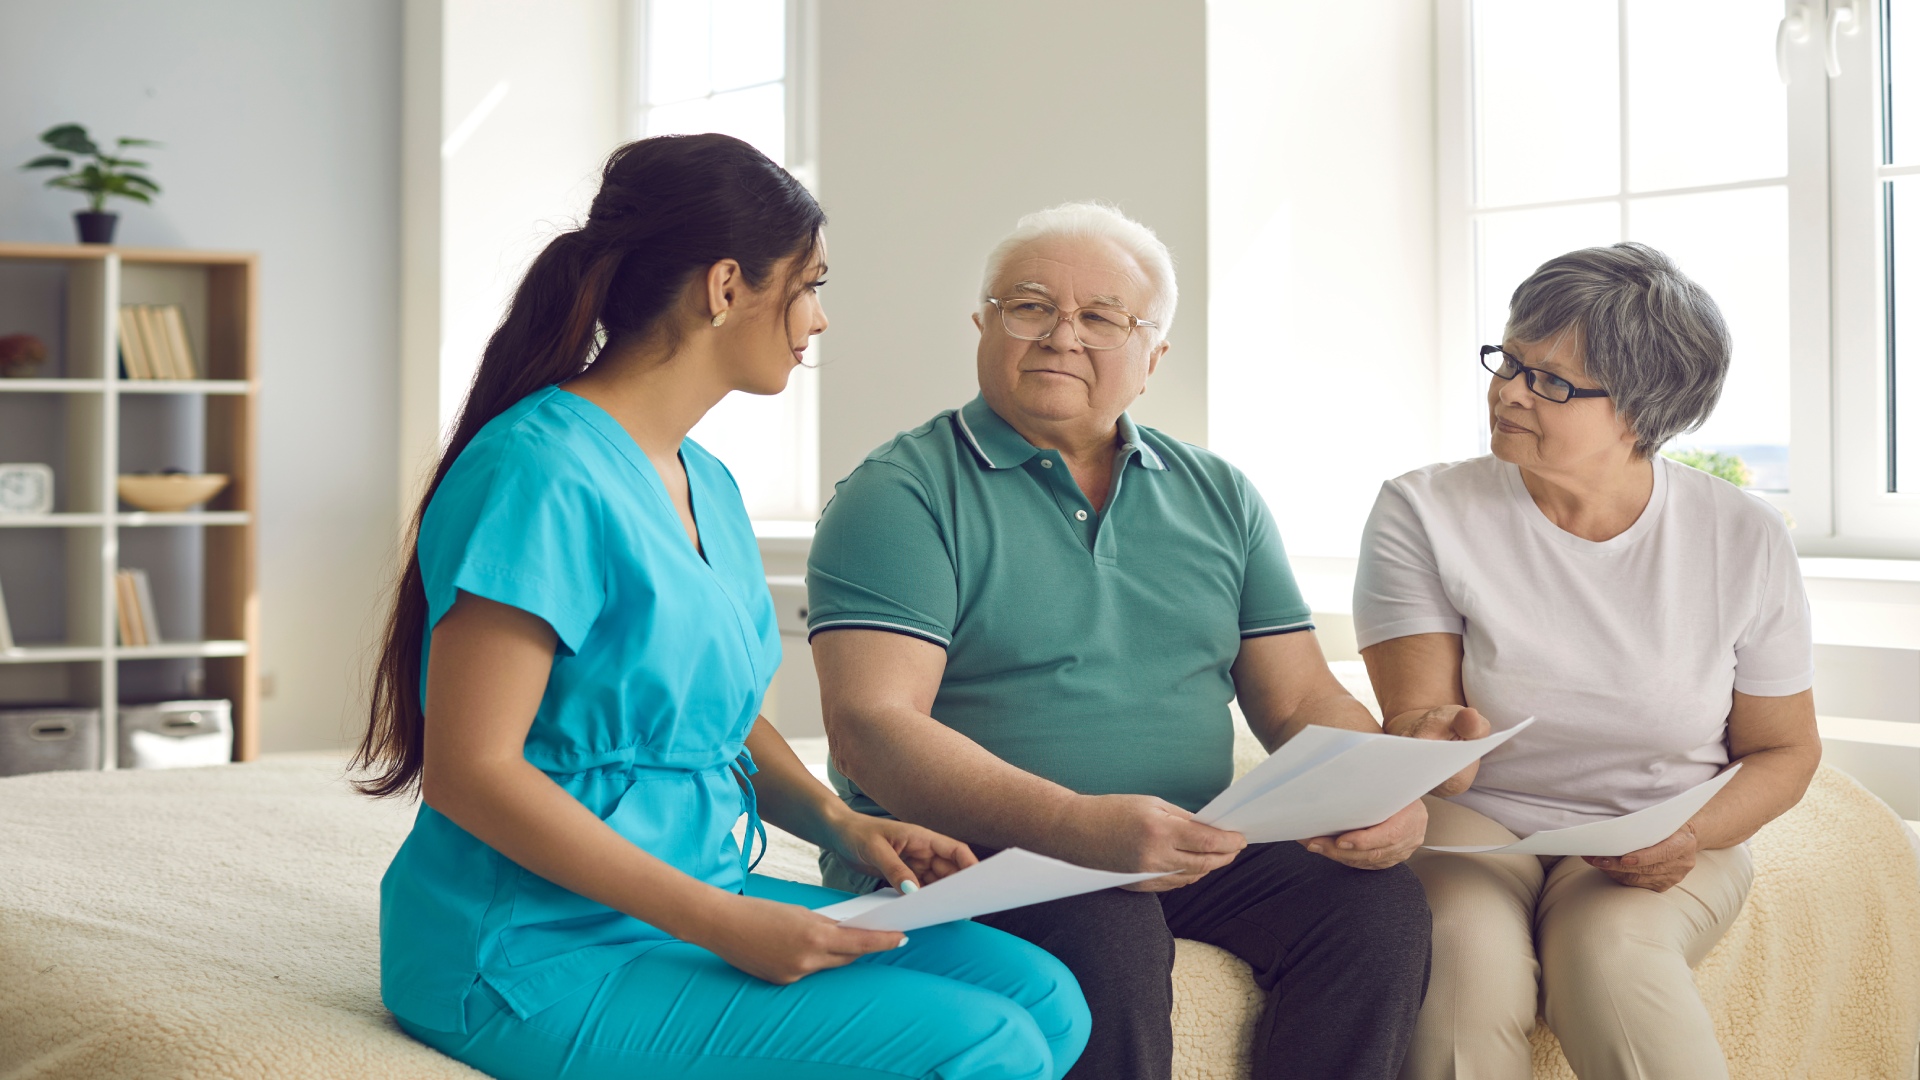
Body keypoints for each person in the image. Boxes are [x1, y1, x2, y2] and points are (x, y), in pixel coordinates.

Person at [353, 134, 1090, 1080]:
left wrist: (840, 824)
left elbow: (721, 721)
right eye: (811, 284)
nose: (818, 321)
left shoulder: (709, 482)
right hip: (533, 947)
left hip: (692, 892)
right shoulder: (537, 472)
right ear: (727, 286)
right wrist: (724, 923)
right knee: (988, 1045)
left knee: (1044, 998)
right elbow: (472, 772)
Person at [806, 201, 1433, 1080]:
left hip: (1185, 840)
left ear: (1152, 358)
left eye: (1102, 318)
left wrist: (1373, 789)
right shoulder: (899, 494)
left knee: (1375, 909)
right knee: (1106, 920)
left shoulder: (1221, 494)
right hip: (970, 852)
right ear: (984, 323)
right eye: (1029, 306)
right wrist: (1074, 827)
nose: (1062, 336)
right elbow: (873, 728)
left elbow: (1298, 698)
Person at [1355, 242, 1822, 1080]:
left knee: (1610, 957)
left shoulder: (1742, 538)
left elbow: (1785, 750)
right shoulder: (1422, 510)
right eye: (1509, 360)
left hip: (1665, 819)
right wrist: (1435, 738)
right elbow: (1416, 718)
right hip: (1479, 820)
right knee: (1467, 967)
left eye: (1552, 382)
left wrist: (1692, 834)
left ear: (1642, 414)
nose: (1508, 391)